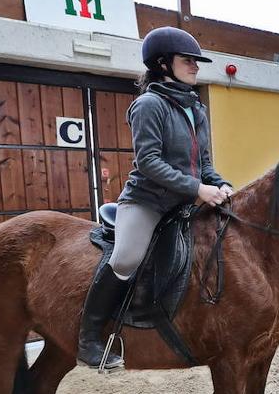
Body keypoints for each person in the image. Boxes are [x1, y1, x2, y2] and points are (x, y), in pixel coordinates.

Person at [78, 27, 233, 369]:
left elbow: (204, 164)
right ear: (163, 64)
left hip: (185, 202)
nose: (195, 66)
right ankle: (89, 339)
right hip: (147, 201)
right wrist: (197, 189)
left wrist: (221, 185)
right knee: (126, 259)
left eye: (196, 61)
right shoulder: (149, 105)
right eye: (187, 60)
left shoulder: (196, 108)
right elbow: (148, 163)